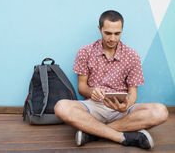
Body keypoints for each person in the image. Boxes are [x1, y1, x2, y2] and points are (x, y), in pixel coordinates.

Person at [54, 10, 168, 149]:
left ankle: (92, 133)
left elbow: (133, 93)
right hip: (94, 106)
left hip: (122, 110)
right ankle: (122, 137)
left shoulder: (132, 56)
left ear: (121, 31)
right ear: (99, 29)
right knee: (61, 107)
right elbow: (81, 87)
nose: (112, 38)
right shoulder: (85, 52)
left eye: (117, 33)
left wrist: (126, 105)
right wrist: (92, 92)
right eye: (108, 33)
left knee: (161, 111)